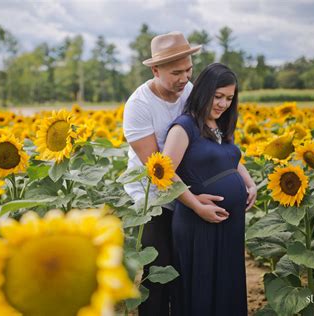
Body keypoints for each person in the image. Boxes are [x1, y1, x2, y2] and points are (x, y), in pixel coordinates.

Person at [123, 32, 227, 316]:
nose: (184, 78)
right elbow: (159, 172)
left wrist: (239, 173)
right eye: (176, 72)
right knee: (158, 270)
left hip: (188, 189)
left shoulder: (191, 93)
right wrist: (195, 204)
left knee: (184, 269)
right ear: (155, 70)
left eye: (189, 70)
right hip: (152, 199)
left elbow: (212, 136)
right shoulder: (139, 107)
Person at [162, 63, 257, 316]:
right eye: (217, 96)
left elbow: (231, 159)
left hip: (230, 223)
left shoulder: (220, 127)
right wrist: (195, 203)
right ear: (204, 91)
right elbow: (164, 171)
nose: (223, 104)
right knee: (201, 286)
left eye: (229, 98)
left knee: (227, 282)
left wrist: (249, 182)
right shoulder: (184, 127)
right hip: (197, 222)